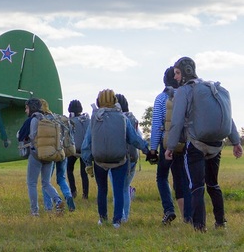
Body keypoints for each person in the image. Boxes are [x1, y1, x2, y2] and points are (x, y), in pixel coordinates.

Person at [165, 57, 243, 232]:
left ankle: (199, 226)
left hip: (196, 144)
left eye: (177, 73)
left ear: (185, 72)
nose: (175, 77)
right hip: (216, 144)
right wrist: (236, 142)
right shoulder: (211, 89)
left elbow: (176, 122)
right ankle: (220, 222)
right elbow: (227, 117)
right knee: (213, 184)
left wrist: (170, 147)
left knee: (197, 186)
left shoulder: (184, 91)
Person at [82, 89, 149, 228]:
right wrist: (148, 149)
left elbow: (86, 144)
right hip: (119, 160)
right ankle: (117, 221)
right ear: (114, 101)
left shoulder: (94, 118)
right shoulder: (122, 118)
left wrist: (88, 162)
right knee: (119, 190)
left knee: (102, 190)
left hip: (99, 161)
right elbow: (134, 139)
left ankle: (102, 218)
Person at [147, 66, 192, 225]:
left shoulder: (161, 98)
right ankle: (187, 217)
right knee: (182, 180)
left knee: (161, 177)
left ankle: (169, 210)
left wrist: (153, 149)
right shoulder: (185, 94)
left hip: (166, 143)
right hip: (183, 143)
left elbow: (156, 125)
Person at [18, 98, 65, 216]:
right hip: (50, 155)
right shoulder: (49, 118)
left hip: (36, 154)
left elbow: (20, 136)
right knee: (46, 182)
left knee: (32, 183)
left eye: (27, 108)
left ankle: (34, 211)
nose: (25, 110)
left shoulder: (32, 119)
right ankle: (58, 201)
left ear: (31, 108)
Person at [39, 99, 76, 212]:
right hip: (62, 152)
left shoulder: (43, 120)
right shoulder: (57, 118)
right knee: (61, 178)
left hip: (50, 153)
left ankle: (48, 207)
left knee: (46, 181)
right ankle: (68, 195)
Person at [115, 93, 140, 223]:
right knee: (125, 187)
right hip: (132, 158)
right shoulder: (132, 119)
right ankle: (125, 216)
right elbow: (138, 137)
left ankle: (120, 216)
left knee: (117, 189)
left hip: (117, 158)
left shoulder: (114, 119)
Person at [66, 100, 90, 200]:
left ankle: (73, 191)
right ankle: (85, 194)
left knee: (69, 169)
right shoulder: (87, 120)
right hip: (85, 150)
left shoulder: (70, 121)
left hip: (74, 150)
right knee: (84, 172)